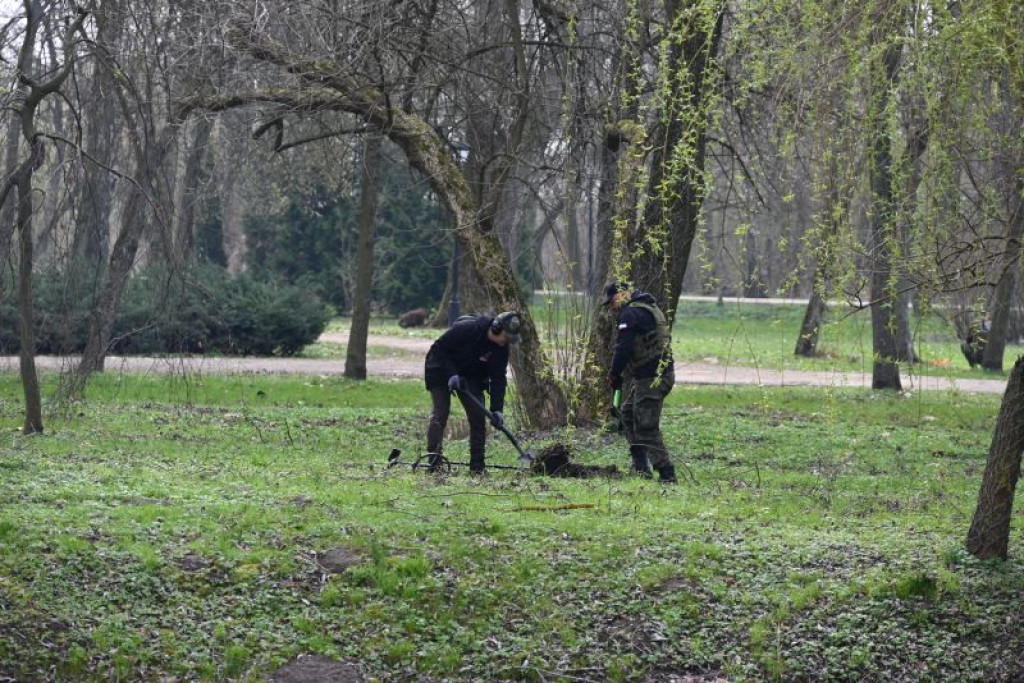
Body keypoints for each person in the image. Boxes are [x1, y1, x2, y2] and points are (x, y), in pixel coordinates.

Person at [424, 311, 521, 473]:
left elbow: (498, 378)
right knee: (440, 413)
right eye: (506, 337)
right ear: (496, 328)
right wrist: (451, 374)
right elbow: (438, 349)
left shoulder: (501, 349)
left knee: (478, 416)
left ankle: (477, 467)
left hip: (470, 374)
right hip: (440, 367)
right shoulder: (468, 328)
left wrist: (497, 410)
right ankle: (434, 464)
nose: (506, 342)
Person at [603, 282, 677, 483]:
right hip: (656, 375)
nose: (613, 306)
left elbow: (622, 348)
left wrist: (614, 373)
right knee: (627, 415)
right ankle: (641, 467)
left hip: (651, 378)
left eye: (613, 301)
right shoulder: (648, 307)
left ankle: (666, 474)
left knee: (646, 426)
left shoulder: (631, 314)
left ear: (623, 294)